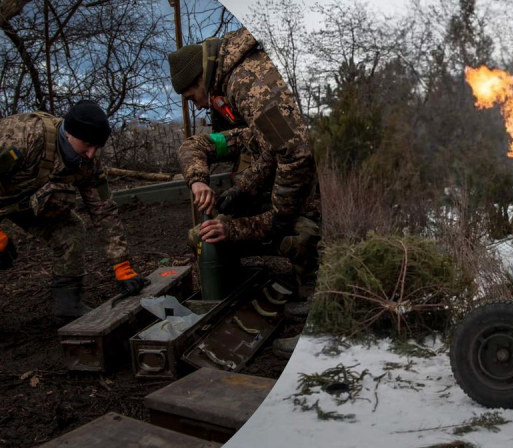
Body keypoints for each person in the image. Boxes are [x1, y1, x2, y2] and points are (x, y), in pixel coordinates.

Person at [167, 29, 321, 355]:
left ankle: (318, 309)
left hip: (305, 202)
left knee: (301, 234)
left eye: (192, 96)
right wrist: (216, 184)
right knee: (204, 236)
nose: (195, 105)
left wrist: (276, 217)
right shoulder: (246, 86)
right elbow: (268, 148)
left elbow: (294, 152)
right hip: (283, 198)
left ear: (200, 80)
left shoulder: (246, 83)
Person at [0, 101, 146, 319]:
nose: (90, 154)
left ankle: (68, 306)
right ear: (69, 133)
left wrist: (121, 264)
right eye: (87, 145)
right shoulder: (23, 135)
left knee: (71, 228)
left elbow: (103, 209)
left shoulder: (89, 161)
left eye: (97, 147)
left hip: (26, 202)